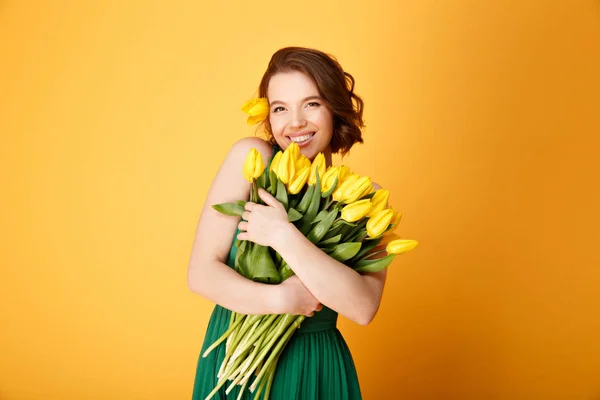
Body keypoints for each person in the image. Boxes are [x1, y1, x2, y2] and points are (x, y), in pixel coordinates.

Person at [188, 46, 386, 400]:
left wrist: (283, 235)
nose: (295, 123)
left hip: (315, 364)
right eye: (280, 108)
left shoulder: (364, 198)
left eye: (311, 104)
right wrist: (280, 298)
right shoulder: (253, 160)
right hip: (234, 359)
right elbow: (201, 273)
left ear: (334, 108)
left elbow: (363, 307)